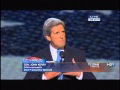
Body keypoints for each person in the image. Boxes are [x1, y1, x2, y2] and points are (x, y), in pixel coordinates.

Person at [24, 18, 96, 80]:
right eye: (57, 33)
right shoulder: (36, 58)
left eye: (63, 32)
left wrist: (79, 74)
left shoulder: (78, 55)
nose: (61, 36)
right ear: (48, 37)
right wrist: (45, 77)